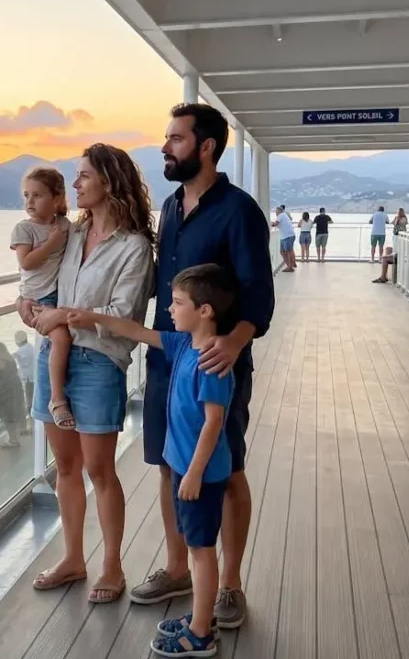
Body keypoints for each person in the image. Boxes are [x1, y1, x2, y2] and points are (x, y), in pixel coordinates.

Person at [133, 102, 274, 631]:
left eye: (175, 139)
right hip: (168, 362)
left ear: (206, 146)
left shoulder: (239, 211)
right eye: (167, 139)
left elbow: (259, 293)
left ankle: (230, 583)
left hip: (217, 363)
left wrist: (236, 344)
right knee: (170, 463)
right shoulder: (169, 207)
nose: (165, 148)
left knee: (227, 469)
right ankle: (178, 568)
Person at [70, 263, 236, 657]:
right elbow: (138, 331)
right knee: (195, 544)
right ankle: (200, 617)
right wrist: (94, 317)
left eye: (178, 303)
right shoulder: (183, 345)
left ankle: (200, 635)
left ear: (205, 311)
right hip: (185, 468)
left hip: (202, 474)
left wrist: (193, 474)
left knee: (200, 550)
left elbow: (215, 422)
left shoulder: (211, 361)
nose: (171, 310)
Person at [18, 143, 155, 604]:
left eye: (82, 177)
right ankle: (73, 558)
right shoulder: (70, 235)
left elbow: (124, 313)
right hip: (54, 357)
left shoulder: (134, 248)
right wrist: (29, 304)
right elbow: (44, 281)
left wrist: (66, 315)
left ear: (108, 183)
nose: (73, 185)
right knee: (67, 467)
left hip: (99, 362)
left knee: (100, 470)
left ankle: (112, 564)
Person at [10, 166, 76, 430]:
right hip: (39, 297)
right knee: (61, 338)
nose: (29, 202)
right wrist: (51, 242)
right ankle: (57, 399)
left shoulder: (65, 225)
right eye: (26, 195)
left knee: (68, 337)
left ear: (56, 198)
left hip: (61, 293)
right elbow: (26, 262)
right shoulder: (24, 229)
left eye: (37, 196)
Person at [13, 331, 36, 427]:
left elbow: (10, 358)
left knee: (30, 401)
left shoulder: (20, 351)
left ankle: (32, 424)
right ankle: (34, 423)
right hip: (35, 377)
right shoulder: (31, 347)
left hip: (29, 380)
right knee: (33, 400)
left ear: (17, 342)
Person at [272, 205, 296, 272]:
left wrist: (270, 223)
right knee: (282, 251)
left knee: (288, 251)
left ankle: (290, 267)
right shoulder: (284, 215)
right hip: (285, 236)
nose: (276, 213)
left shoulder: (281, 215)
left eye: (276, 212)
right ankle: (289, 265)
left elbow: (275, 224)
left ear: (279, 211)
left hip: (288, 236)